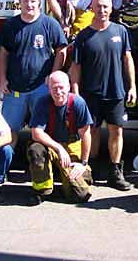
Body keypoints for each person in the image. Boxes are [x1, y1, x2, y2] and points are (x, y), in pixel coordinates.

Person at [70, 0, 136, 190]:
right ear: (92, 8)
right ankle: (94, 167)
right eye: (98, 7)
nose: (102, 10)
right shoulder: (83, 36)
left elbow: (128, 59)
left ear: (111, 9)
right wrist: (75, 91)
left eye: (106, 7)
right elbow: (76, 66)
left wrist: (132, 86)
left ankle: (115, 172)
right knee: (93, 131)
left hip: (116, 91)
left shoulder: (121, 31)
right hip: (91, 93)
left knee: (117, 130)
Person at [0, 0, 68, 147]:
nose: (29, 4)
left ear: (39, 3)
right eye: (25, 1)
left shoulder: (50, 24)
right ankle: (4, 168)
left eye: (33, 1)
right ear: (19, 4)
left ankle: (42, 167)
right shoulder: (11, 26)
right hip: (15, 88)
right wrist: (2, 80)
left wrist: (53, 75)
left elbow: (61, 50)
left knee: (42, 130)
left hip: (41, 88)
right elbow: (3, 54)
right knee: (8, 131)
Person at [27, 71, 93, 204]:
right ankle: (42, 190)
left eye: (61, 87)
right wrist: (59, 149)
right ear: (49, 88)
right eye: (54, 88)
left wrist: (83, 163)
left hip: (72, 144)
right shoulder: (42, 102)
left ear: (68, 87)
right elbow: (36, 133)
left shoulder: (78, 103)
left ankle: (66, 184)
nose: (58, 92)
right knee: (36, 149)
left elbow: (86, 134)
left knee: (80, 195)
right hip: (51, 145)